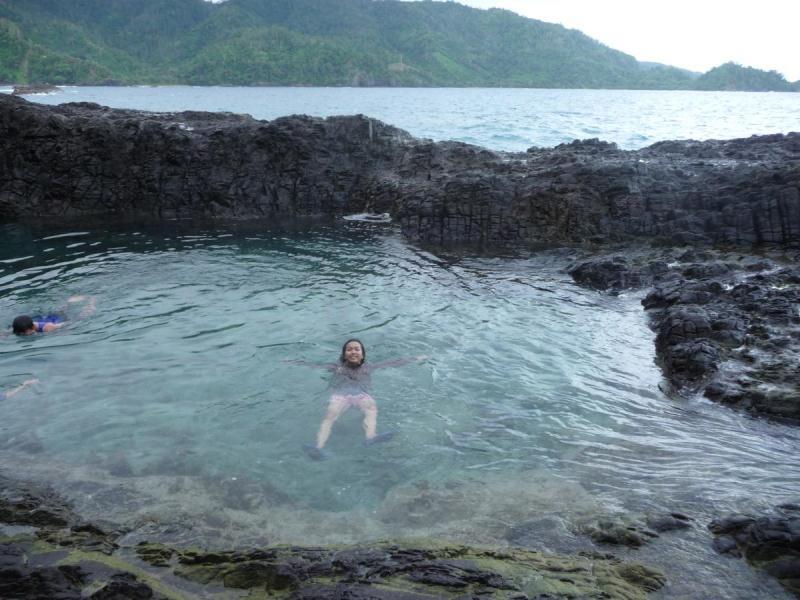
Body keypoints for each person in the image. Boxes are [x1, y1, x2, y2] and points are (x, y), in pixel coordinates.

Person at [288, 339, 427, 460]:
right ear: (344, 355)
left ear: (362, 355)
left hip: (361, 394)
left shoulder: (369, 367)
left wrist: (415, 359)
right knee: (330, 414)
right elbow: (314, 365)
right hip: (341, 395)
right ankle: (318, 447)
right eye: (349, 350)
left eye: (356, 349)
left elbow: (393, 363)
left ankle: (371, 436)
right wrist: (295, 362)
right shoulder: (337, 367)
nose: (353, 351)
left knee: (371, 407)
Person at [11, 295, 96, 335]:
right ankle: (68, 303)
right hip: (43, 319)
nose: (23, 334)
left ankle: (91, 302)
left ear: (32, 327)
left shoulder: (49, 327)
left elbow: (68, 324)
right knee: (60, 311)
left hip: (55, 321)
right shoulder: (20, 327)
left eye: (25, 332)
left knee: (81, 317)